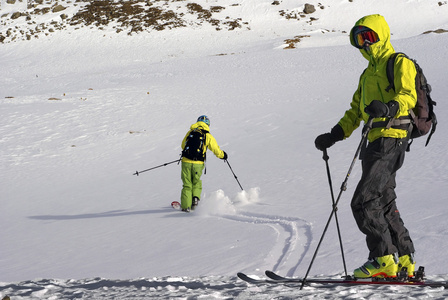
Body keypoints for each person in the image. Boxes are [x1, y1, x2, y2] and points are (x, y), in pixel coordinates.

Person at [314, 14, 416, 278]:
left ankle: (383, 259)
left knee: (363, 201)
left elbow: (408, 95)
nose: (365, 44)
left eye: (368, 36)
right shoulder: (367, 74)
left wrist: (390, 107)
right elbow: (354, 112)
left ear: (381, 35)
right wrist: (334, 135)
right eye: (359, 39)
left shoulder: (399, 62)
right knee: (382, 199)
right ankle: (404, 258)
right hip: (374, 141)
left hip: (391, 137)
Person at [180, 115, 227, 212]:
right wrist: (223, 155)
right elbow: (215, 149)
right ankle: (195, 199)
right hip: (198, 163)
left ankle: (185, 207)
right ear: (208, 125)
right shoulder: (207, 135)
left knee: (187, 184)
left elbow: (182, 145)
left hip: (186, 162)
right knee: (196, 182)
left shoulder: (190, 132)